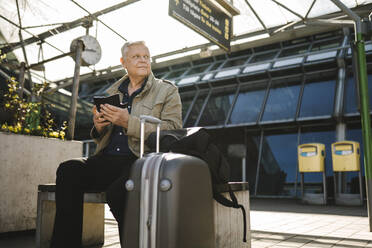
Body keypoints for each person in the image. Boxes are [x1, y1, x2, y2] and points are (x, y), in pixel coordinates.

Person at [51, 41, 182, 248]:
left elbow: (173, 131)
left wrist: (128, 122)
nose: (143, 60)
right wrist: (99, 126)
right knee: (68, 170)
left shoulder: (166, 91)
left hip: (139, 160)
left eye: (146, 56)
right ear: (123, 62)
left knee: (119, 192)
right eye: (136, 56)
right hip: (106, 159)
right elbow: (101, 137)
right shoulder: (112, 91)